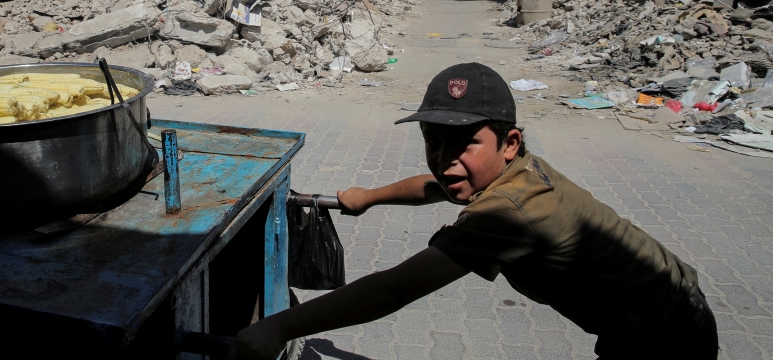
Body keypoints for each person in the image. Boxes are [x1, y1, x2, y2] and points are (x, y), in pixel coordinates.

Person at [229, 63, 718, 360]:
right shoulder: (509, 172)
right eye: (433, 141)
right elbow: (435, 186)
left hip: (664, 336)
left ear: (510, 142)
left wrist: (280, 326)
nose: (446, 159)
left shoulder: (508, 213)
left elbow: (393, 289)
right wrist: (370, 196)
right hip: (652, 313)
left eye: (465, 143)